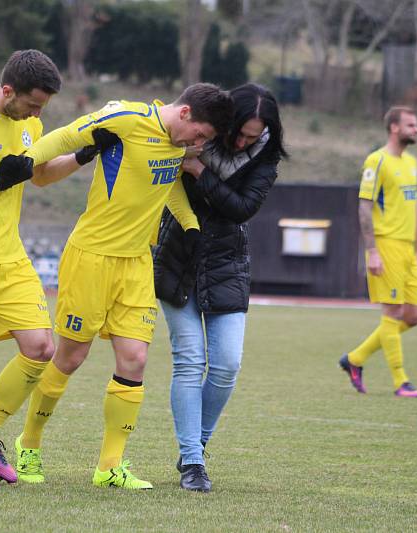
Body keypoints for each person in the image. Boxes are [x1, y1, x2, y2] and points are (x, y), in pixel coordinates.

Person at [12, 83, 233, 489]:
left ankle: (109, 466)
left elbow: (166, 190)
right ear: (184, 113)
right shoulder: (127, 120)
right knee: (71, 359)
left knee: (134, 360)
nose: (198, 145)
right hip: (91, 257)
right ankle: (29, 442)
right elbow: (67, 135)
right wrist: (22, 162)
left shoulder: (175, 147)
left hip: (136, 263)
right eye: (200, 134)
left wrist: (191, 226)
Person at [0, 50, 116, 490]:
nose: (37, 114)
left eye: (42, 108)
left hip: (9, 254)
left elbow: (40, 175)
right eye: (33, 104)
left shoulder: (29, 123)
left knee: (39, 347)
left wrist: (85, 155)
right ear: (8, 90)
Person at [153, 83, 287, 492]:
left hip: (227, 263)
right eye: (240, 133)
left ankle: (198, 444)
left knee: (227, 365)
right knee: (190, 359)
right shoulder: (194, 138)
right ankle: (193, 461)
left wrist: (200, 172)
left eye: (253, 134)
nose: (245, 140)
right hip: (179, 255)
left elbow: (242, 209)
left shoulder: (263, 158)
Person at [339, 106, 417, 398]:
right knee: (392, 314)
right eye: (411, 125)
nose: (416, 129)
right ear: (394, 128)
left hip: (409, 249)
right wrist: (372, 251)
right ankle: (401, 382)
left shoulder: (411, 163)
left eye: (416, 125)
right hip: (386, 245)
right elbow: (364, 205)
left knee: (412, 317)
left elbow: (415, 207)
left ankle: (355, 359)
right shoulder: (376, 160)